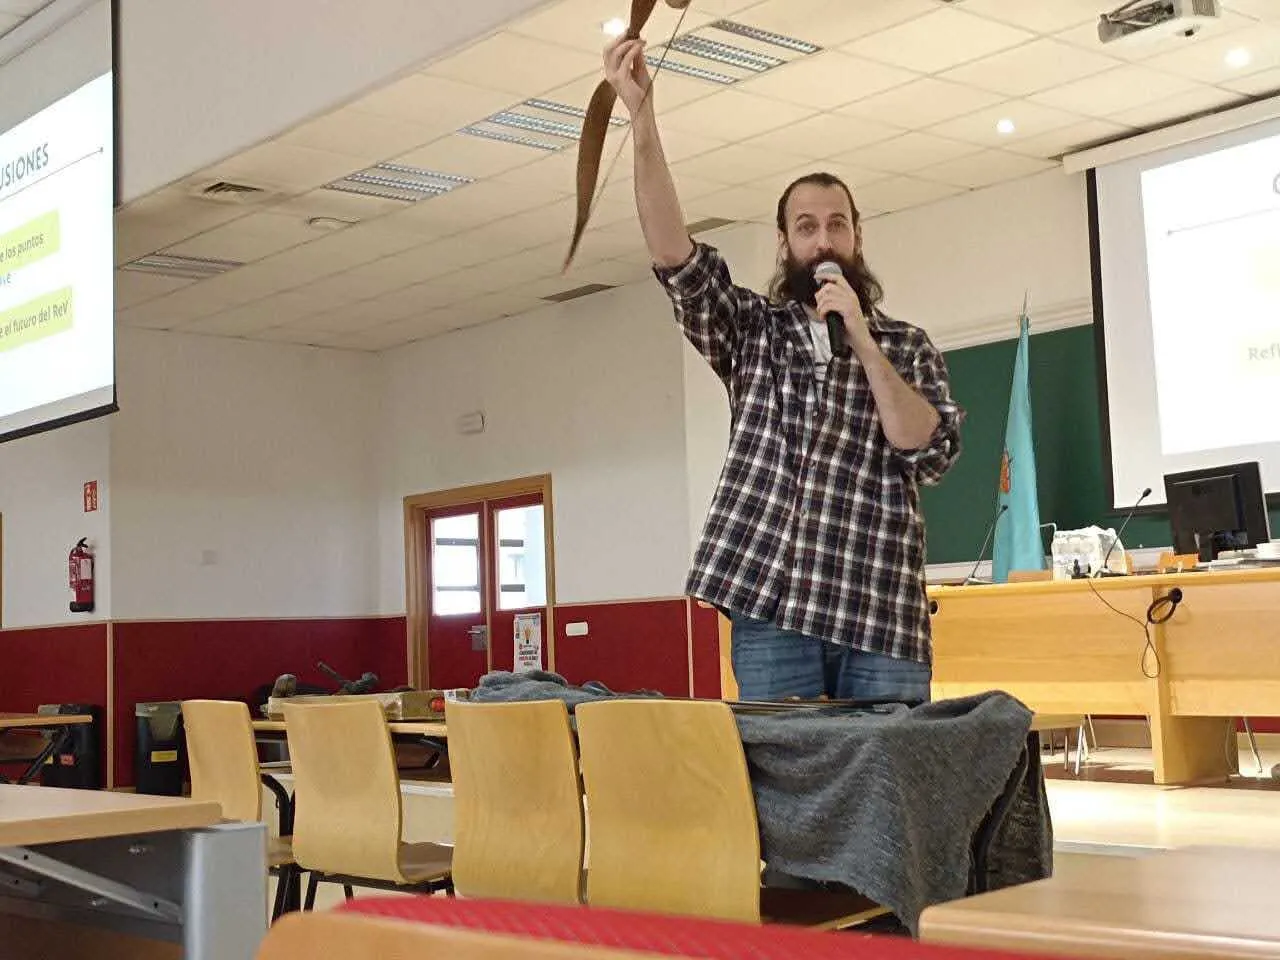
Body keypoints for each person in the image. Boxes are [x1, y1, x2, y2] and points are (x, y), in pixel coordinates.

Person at [602, 36, 964, 704]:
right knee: (779, 768)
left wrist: (863, 340)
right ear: (784, 243)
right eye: (806, 227)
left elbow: (927, 449)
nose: (823, 240)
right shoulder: (753, 332)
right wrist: (642, 117)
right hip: (773, 606)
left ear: (857, 236)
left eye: (836, 225)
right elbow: (674, 255)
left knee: (893, 766)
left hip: (880, 612)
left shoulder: (907, 346)